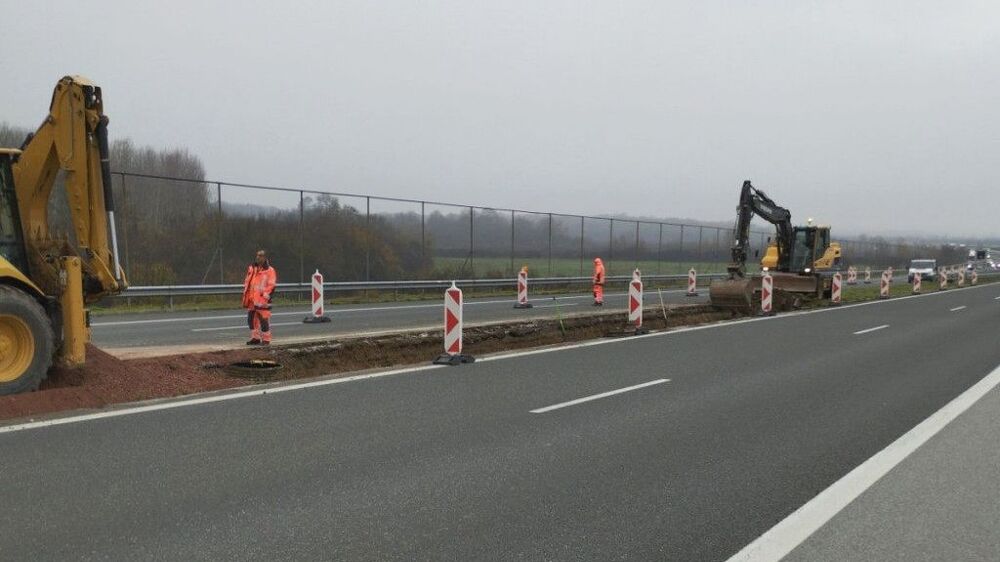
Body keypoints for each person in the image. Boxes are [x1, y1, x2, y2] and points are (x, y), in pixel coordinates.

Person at [243, 249, 277, 345]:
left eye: (261, 255)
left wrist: (265, 297)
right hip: (252, 298)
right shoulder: (252, 268)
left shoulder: (270, 271)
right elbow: (248, 282)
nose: (258, 257)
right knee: (251, 319)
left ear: (265, 257)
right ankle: (255, 338)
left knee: (263, 320)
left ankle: (266, 339)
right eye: (257, 255)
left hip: (263, 299)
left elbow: (271, 285)